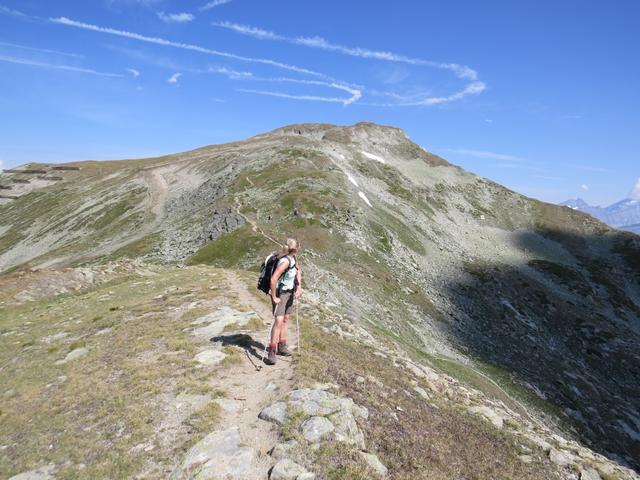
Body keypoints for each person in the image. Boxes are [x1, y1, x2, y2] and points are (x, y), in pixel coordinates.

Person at [265, 238, 302, 365]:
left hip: (289, 292)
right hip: (280, 294)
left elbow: (298, 270)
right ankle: (272, 350)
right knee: (279, 321)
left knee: (285, 319)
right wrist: (274, 296)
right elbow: (273, 279)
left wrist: (299, 287)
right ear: (295, 248)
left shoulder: (294, 258)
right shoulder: (285, 261)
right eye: (299, 246)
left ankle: (282, 346)